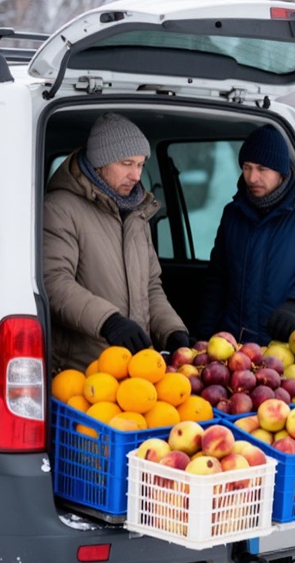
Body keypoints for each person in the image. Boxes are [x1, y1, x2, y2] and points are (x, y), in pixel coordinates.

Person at [43, 113, 190, 372]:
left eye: (141, 165)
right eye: (126, 163)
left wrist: (173, 331)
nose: (136, 175)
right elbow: (53, 283)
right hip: (84, 372)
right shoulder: (60, 209)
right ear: (100, 162)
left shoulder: (136, 213)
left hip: (135, 370)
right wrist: (108, 321)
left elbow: (151, 286)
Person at [196, 124, 295, 345]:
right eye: (247, 167)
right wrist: (204, 334)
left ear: (281, 171)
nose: (252, 177)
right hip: (234, 351)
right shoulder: (233, 214)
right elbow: (217, 279)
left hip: (292, 350)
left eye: (262, 169)